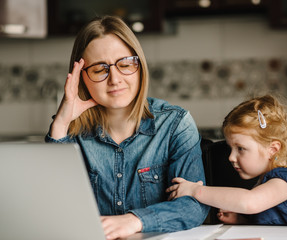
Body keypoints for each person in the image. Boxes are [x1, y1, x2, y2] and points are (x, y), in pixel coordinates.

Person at [45, 15, 209, 239]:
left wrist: (135, 221)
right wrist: (61, 123)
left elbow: (193, 206)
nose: (115, 79)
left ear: (140, 66)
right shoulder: (70, 133)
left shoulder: (175, 124)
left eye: (125, 64)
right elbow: (50, 210)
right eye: (99, 69)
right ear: (81, 78)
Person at [166, 94, 287, 225]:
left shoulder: (286, 180)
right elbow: (273, 225)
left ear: (272, 150)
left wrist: (195, 191)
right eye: (230, 148)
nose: (231, 157)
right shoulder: (265, 180)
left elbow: (250, 202)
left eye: (240, 149)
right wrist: (242, 221)